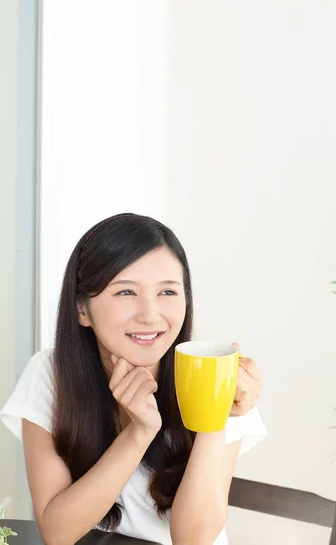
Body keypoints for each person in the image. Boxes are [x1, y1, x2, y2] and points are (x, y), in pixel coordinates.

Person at [0, 213, 267, 545]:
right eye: (126, 292)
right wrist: (138, 433)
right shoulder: (51, 376)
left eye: (167, 292)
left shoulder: (217, 376)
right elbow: (58, 532)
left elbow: (193, 540)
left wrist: (215, 418)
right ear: (82, 309)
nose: (150, 315)